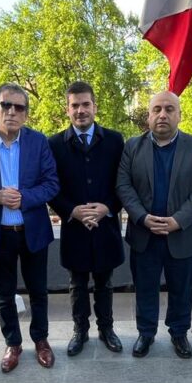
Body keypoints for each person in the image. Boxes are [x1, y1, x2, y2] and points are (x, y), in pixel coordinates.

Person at [0, 83, 60, 373]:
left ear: (26, 114)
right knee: (4, 295)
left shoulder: (38, 142)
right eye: (6, 105)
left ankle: (41, 340)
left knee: (38, 291)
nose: (12, 112)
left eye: (19, 107)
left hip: (32, 231)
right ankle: (13, 344)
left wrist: (25, 198)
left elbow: (52, 184)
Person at [116, 91, 192, 359]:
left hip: (182, 235)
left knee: (182, 289)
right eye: (156, 109)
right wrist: (142, 217)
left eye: (169, 109)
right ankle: (145, 333)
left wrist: (178, 220)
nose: (162, 115)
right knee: (145, 288)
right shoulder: (131, 147)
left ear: (179, 115)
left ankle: (179, 333)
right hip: (143, 234)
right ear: (148, 116)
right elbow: (123, 186)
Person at [47, 82, 126, 356]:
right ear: (67, 110)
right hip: (74, 228)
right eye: (75, 105)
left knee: (105, 283)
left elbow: (123, 182)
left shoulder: (115, 140)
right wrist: (73, 211)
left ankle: (107, 329)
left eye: (85, 104)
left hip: (106, 226)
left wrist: (107, 208)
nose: (80, 110)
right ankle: (80, 331)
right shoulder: (54, 144)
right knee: (77, 284)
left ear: (95, 106)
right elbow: (51, 187)